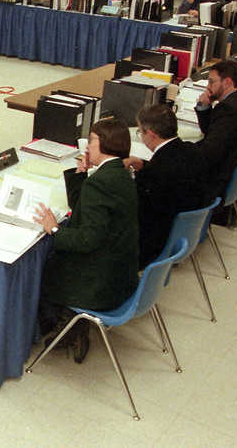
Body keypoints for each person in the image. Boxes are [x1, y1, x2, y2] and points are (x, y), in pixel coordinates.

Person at [32, 118, 139, 363]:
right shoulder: (121, 174)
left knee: (45, 268)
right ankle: (72, 326)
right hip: (122, 273)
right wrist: (81, 176)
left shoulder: (100, 183)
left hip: (100, 285)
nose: (87, 146)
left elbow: (86, 240)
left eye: (91, 140)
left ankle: (69, 327)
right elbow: (86, 209)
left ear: (105, 145)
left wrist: (55, 230)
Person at [125, 104, 208, 269]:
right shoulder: (192, 150)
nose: (140, 136)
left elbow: (133, 208)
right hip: (185, 232)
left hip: (152, 243)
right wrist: (142, 164)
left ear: (151, 134)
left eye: (140, 132)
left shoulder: (156, 173)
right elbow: (172, 169)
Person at [193, 59, 237, 206]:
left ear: (227, 82)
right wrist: (204, 107)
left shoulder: (228, 109)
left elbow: (210, 153)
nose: (208, 87)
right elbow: (213, 132)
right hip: (230, 169)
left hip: (218, 179)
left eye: (211, 82)